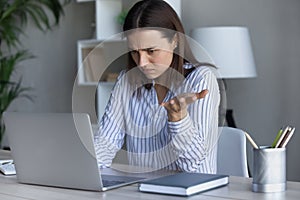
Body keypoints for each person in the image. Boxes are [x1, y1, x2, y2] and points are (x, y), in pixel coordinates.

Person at [94, 0, 220, 174]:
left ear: (174, 40)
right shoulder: (126, 81)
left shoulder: (201, 80)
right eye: (134, 52)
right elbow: (105, 144)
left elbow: (194, 166)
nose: (142, 63)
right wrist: (83, 168)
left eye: (151, 51)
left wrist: (178, 119)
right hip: (142, 191)